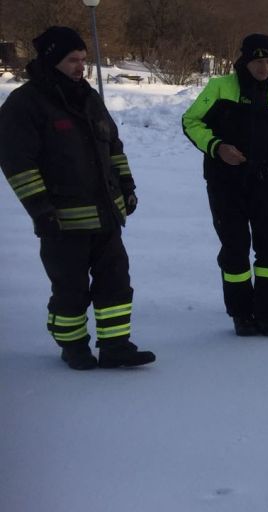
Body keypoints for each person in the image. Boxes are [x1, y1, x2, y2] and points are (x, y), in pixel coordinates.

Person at [0, 26, 156, 369]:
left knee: (116, 282)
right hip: (62, 221)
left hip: (105, 215)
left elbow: (112, 146)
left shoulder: (88, 97)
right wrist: (41, 210)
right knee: (70, 289)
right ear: (52, 59)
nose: (80, 66)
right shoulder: (24, 104)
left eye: (84, 59)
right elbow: (17, 164)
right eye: (73, 59)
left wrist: (126, 186)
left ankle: (116, 345)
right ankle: (73, 347)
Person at [182, 34, 268, 338]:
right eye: (258, 61)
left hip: (263, 184)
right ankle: (242, 314)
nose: (264, 67)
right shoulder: (220, 88)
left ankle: (267, 314)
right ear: (244, 61)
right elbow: (191, 121)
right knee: (235, 250)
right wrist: (217, 147)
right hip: (224, 183)